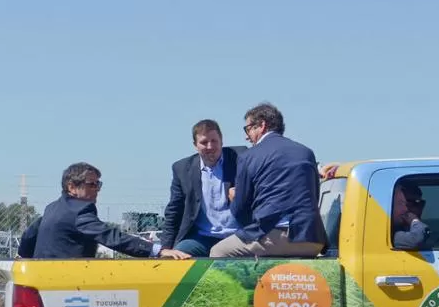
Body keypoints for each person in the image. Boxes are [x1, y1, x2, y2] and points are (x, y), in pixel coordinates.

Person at [209, 102, 326, 257]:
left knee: (218, 252)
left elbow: (240, 209)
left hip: (276, 237)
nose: (246, 136)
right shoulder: (306, 152)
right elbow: (314, 198)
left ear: (262, 125)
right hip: (312, 239)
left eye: (248, 128)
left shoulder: (248, 156)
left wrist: (233, 197)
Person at [18, 162, 189, 259]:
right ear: (72, 187)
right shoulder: (80, 210)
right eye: (91, 184)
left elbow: (27, 237)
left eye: (98, 184)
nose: (97, 189)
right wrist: (157, 250)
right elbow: (110, 236)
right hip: (69, 282)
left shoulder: (52, 208)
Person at [161, 119, 244, 257]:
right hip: (202, 238)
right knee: (175, 256)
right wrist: (165, 248)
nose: (210, 146)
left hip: (238, 236)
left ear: (222, 141)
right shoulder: (182, 169)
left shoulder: (241, 158)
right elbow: (174, 211)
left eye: (214, 141)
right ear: (195, 145)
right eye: (204, 142)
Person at [392, 183, 430, 249]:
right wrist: (415, 221)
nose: (419, 208)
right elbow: (414, 239)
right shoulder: (387, 233)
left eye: (421, 203)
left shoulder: (408, 228)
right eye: (414, 203)